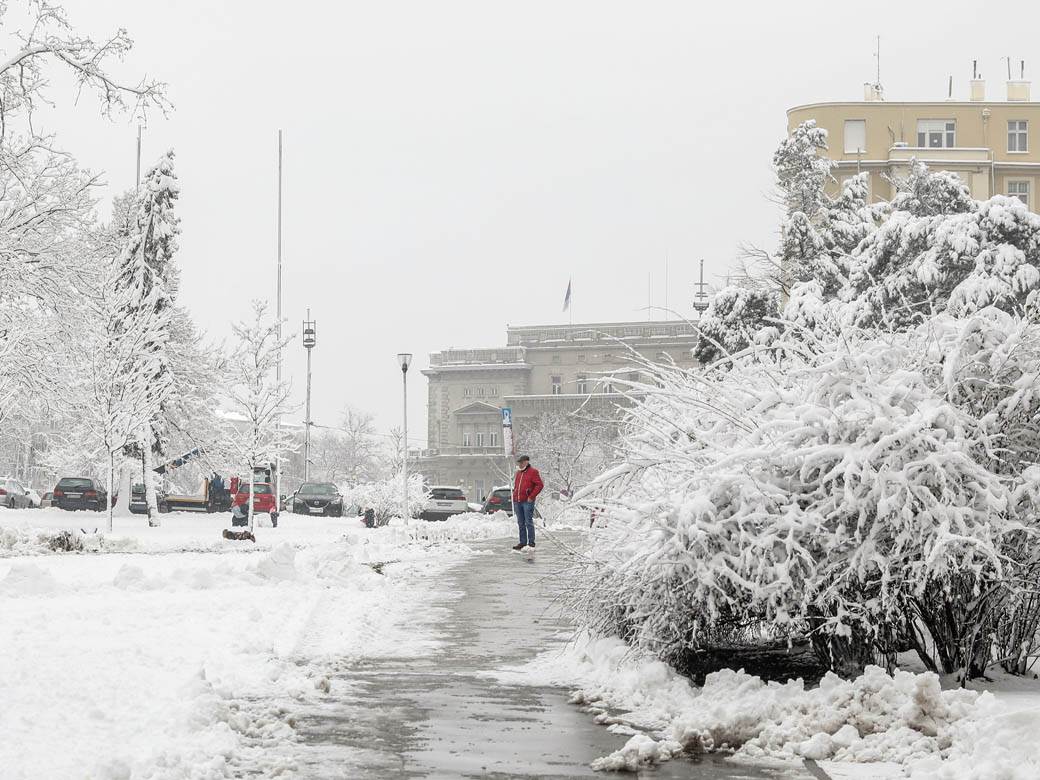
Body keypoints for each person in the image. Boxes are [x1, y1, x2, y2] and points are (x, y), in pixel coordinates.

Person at [512, 455, 543, 551]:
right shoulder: (518, 473)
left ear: (526, 462)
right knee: (520, 522)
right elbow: (517, 486)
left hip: (527, 501)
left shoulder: (533, 472)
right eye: (519, 463)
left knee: (528, 522)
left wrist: (531, 496)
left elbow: (540, 485)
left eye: (521, 463)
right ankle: (522, 542)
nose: (520, 465)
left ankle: (531, 543)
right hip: (518, 501)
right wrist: (514, 495)